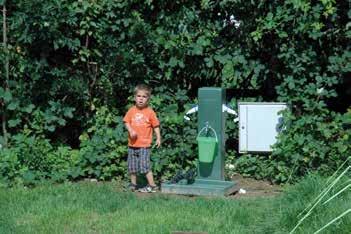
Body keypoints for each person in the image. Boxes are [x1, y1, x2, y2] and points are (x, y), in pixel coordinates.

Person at [123, 84, 161, 193]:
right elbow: (126, 122)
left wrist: (158, 138)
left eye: (144, 97)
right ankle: (133, 185)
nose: (141, 98)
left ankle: (152, 186)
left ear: (148, 99)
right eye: (138, 96)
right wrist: (130, 130)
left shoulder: (150, 112)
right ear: (135, 97)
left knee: (144, 166)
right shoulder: (131, 110)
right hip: (132, 145)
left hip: (144, 145)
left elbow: (156, 126)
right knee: (132, 166)